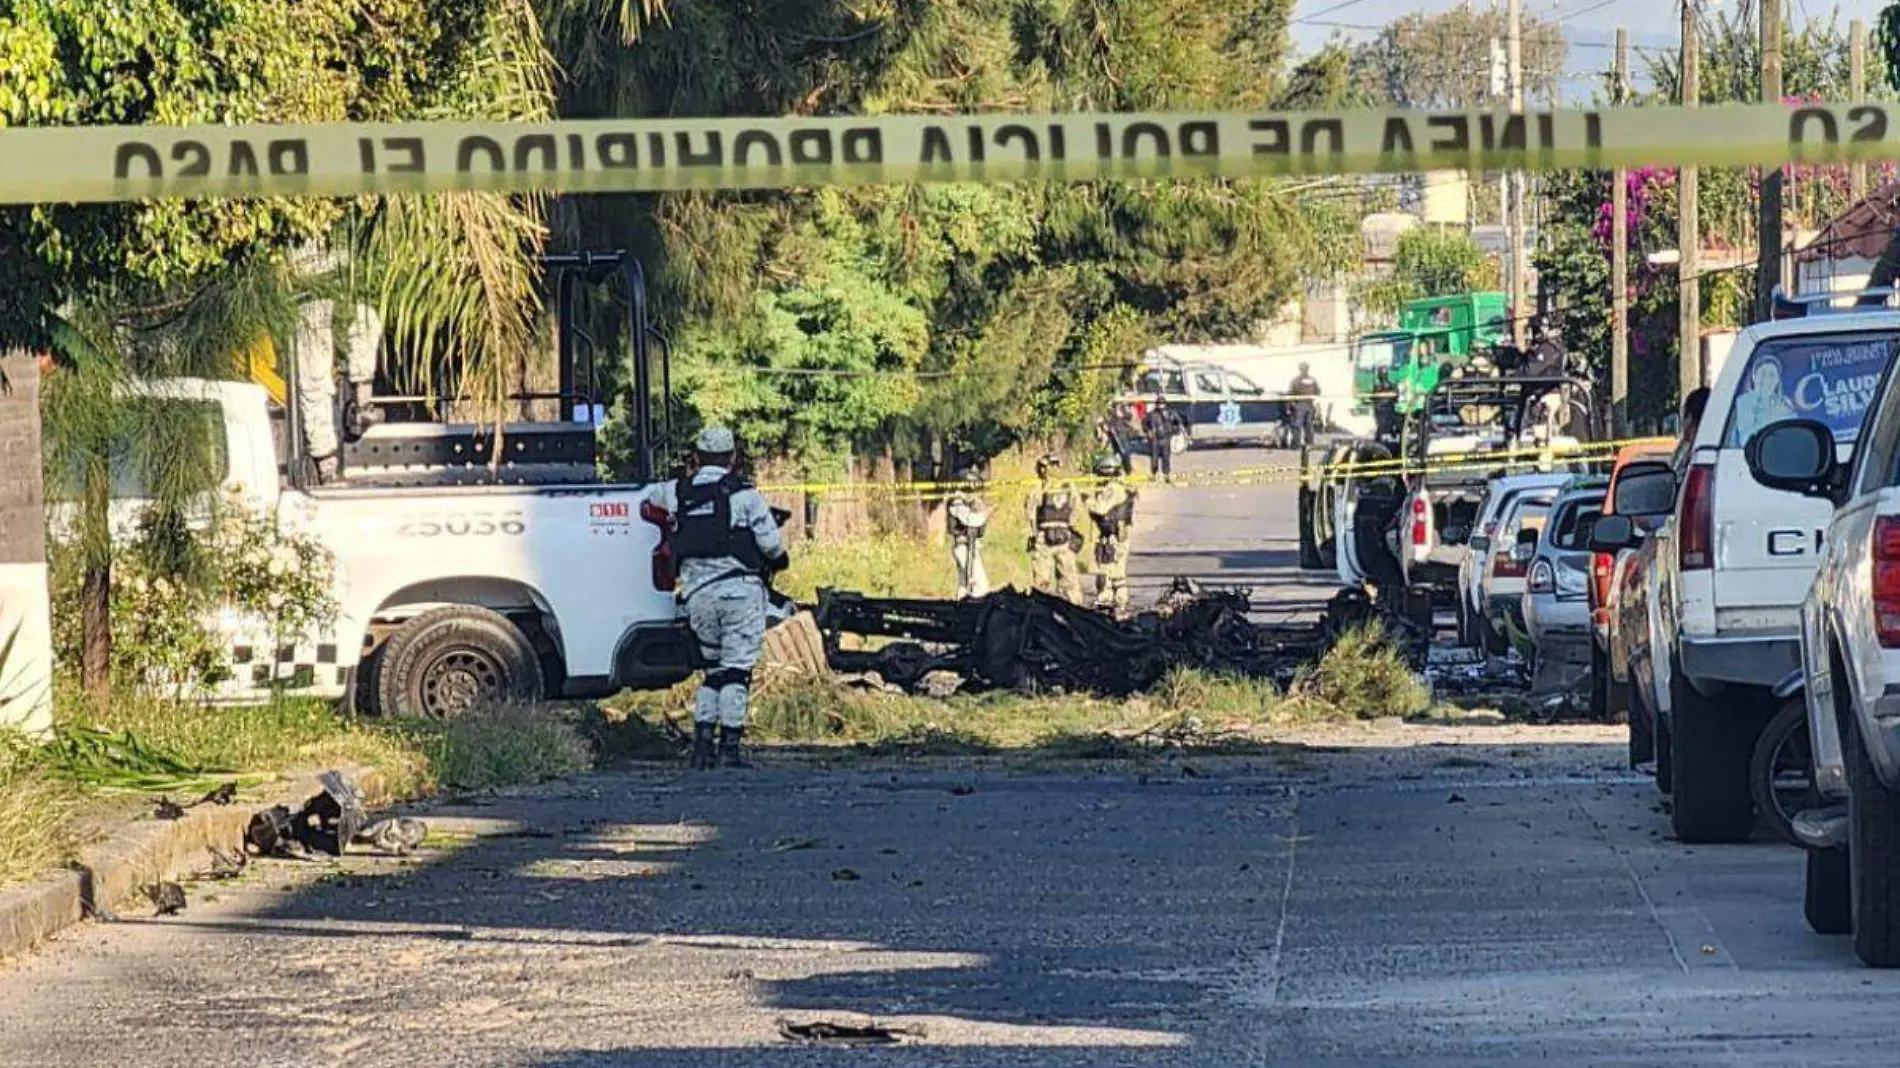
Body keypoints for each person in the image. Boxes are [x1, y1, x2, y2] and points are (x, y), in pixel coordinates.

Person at [644, 426, 790, 770]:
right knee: (737, 671)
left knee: (712, 671)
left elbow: (647, 497)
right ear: (732, 458)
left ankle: (702, 746)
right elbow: (771, 547)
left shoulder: (676, 492)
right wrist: (780, 561)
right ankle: (731, 749)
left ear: (695, 457)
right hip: (739, 593)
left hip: (696, 597)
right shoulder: (745, 495)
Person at [1025, 454, 1085, 604]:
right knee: (1069, 579)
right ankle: (1074, 607)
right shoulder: (1069, 486)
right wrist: (1069, 525)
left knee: (1042, 580)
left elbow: (1030, 513)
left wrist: (1033, 532)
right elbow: (1077, 508)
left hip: (1044, 537)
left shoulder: (1039, 488)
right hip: (1063, 535)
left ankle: (1040, 609)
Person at [1085, 455, 1138, 617]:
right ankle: (1121, 604)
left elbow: (1100, 508)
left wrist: (1087, 500)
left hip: (1112, 536)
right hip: (1120, 533)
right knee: (1118, 572)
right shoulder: (1123, 486)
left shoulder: (1112, 488)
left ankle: (1106, 602)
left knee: (1105, 571)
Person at [946, 467, 991, 600]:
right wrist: (985, 513)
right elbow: (972, 520)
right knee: (980, 585)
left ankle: (962, 611)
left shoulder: (966, 500)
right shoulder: (957, 502)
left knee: (964, 585)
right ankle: (972, 612)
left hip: (970, 546)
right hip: (964, 547)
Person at [1141, 395, 1180, 483]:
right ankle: (1154, 475)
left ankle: (1166, 475)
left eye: (1162, 403)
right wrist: (1148, 431)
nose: (1161, 405)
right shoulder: (1151, 414)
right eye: (1159, 404)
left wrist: (1174, 430)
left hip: (1165, 438)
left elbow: (1178, 423)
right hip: (1155, 439)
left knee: (1166, 457)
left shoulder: (1170, 413)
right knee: (1154, 458)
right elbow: (1144, 424)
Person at [1285, 362, 1322, 448]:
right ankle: (1309, 443)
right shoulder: (1312, 380)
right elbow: (1318, 391)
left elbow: (1290, 393)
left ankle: (1296, 444)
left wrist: (1289, 405)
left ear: (1300, 369)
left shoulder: (1296, 380)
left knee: (1297, 425)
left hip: (1299, 405)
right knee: (1309, 426)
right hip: (1310, 404)